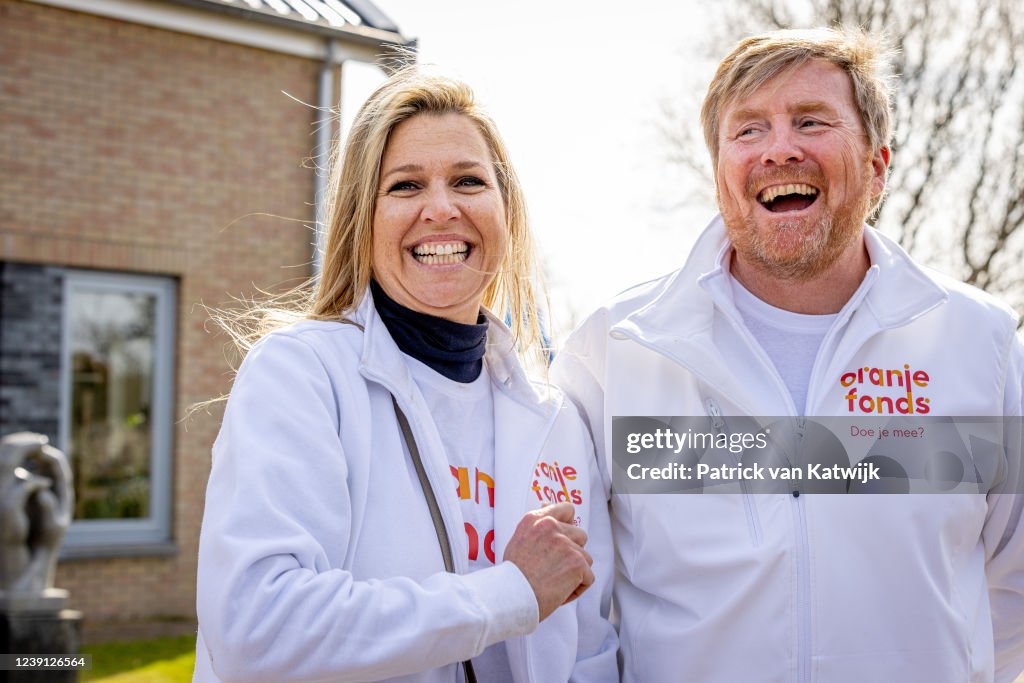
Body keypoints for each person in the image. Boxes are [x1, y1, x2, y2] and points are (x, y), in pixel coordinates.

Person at [553, 27, 1024, 682]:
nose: (779, 149)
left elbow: (1012, 596)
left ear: (878, 166)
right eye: (748, 130)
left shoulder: (982, 345)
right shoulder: (615, 351)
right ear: (719, 171)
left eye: (811, 121)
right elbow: (575, 617)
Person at [194, 67, 617, 683]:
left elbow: (589, 648)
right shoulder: (302, 375)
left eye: (469, 181)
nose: (441, 209)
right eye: (406, 185)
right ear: (362, 219)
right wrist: (512, 592)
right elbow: (259, 627)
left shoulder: (556, 418)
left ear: (507, 212)